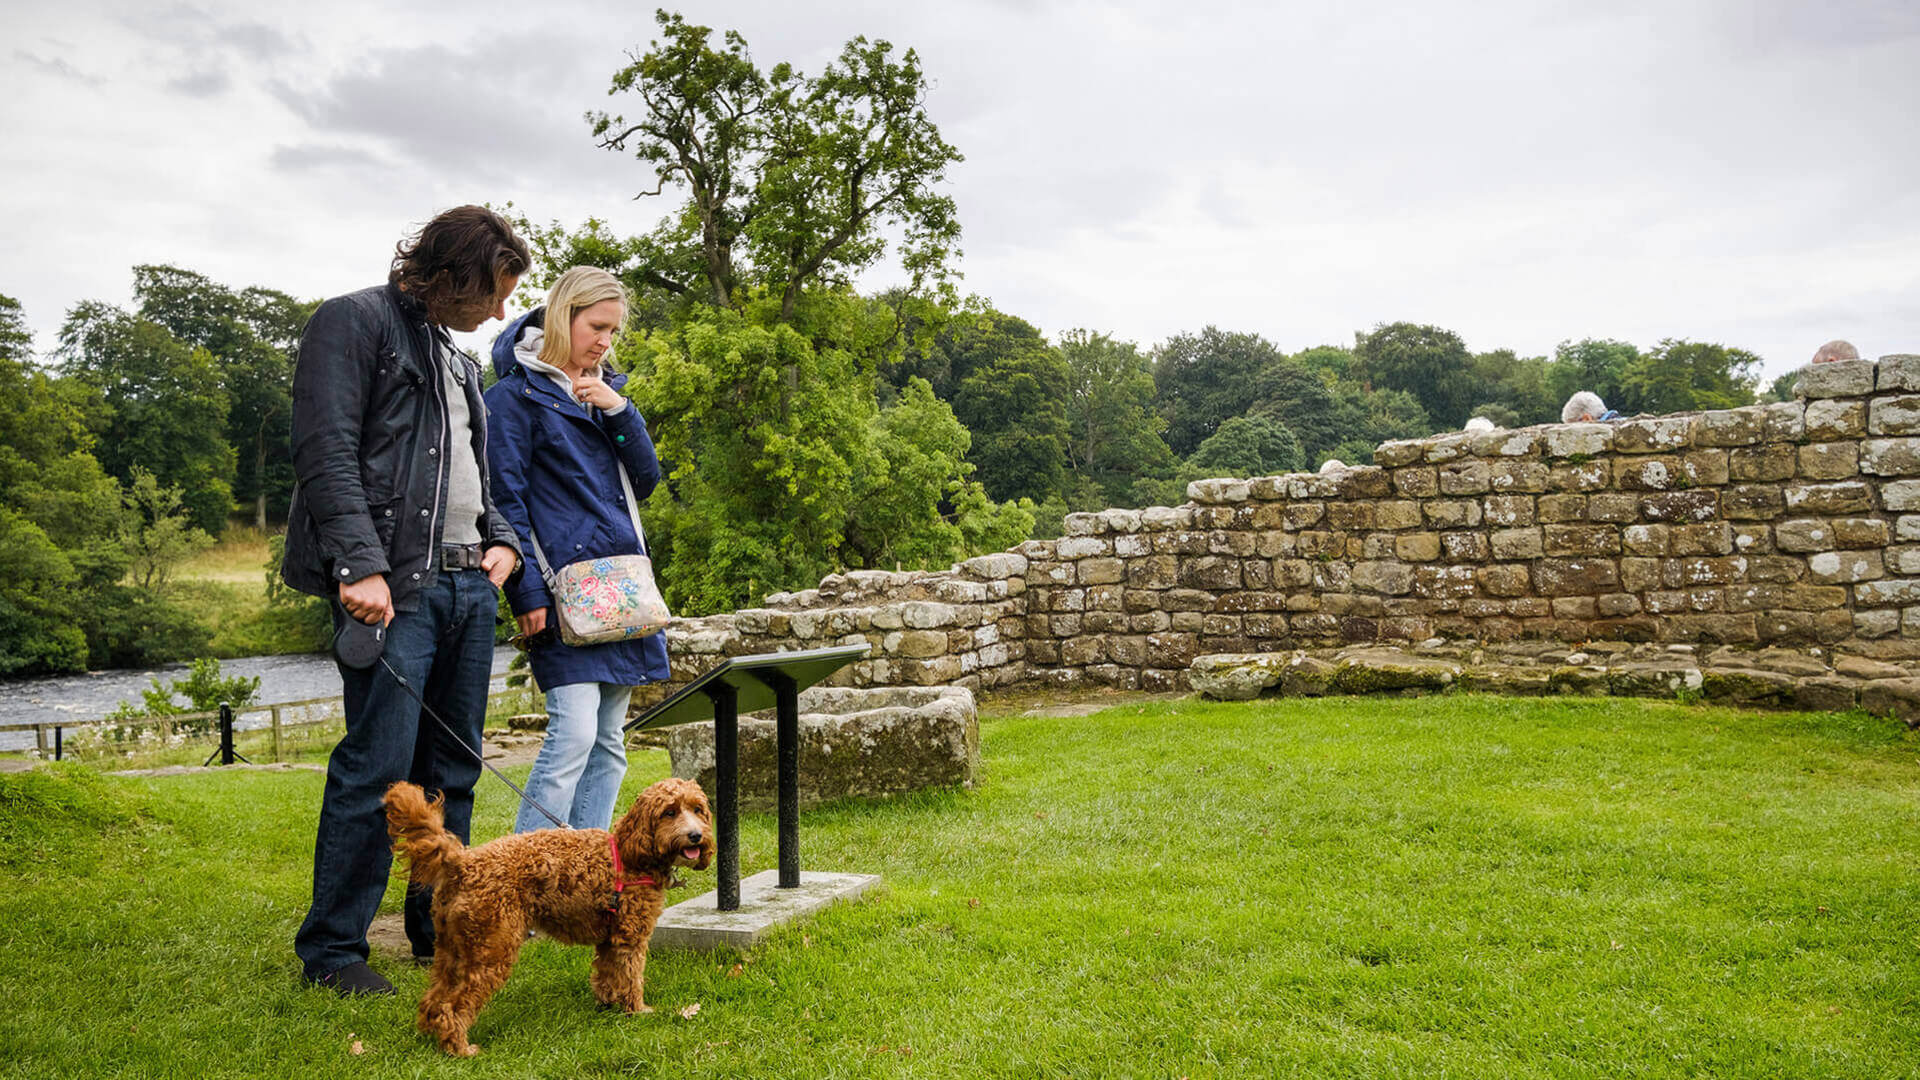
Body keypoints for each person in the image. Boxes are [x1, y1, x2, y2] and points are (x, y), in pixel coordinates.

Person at [282, 206, 530, 996]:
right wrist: (358, 565)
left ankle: (440, 929)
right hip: (397, 587)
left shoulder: (458, 360)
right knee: (378, 769)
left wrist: (504, 539)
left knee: (453, 772)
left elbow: (480, 471)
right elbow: (323, 452)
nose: (498, 313)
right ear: (453, 272)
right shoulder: (350, 323)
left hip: (467, 586)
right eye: (491, 294)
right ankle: (333, 951)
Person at [484, 266, 669, 834]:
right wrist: (527, 592)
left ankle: (587, 875)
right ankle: (524, 878)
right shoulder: (512, 399)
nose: (606, 342)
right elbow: (504, 501)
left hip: (620, 587)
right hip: (560, 588)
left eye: (614, 332)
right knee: (574, 735)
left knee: (610, 742)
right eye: (597, 327)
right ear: (564, 315)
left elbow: (645, 481)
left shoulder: (605, 395)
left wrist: (619, 410)